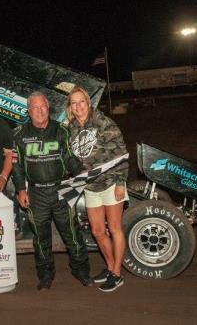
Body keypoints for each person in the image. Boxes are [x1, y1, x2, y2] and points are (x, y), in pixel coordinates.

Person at [12, 91, 92, 290]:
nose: (40, 111)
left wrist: (82, 172)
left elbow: (69, 158)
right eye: (35, 108)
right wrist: (21, 190)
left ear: (49, 109)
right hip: (36, 194)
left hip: (61, 190)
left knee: (72, 234)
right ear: (29, 111)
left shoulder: (61, 130)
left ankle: (81, 271)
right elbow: (17, 165)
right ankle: (45, 276)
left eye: (43, 107)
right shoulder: (19, 133)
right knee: (41, 239)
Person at [66, 86, 129, 292]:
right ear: (70, 108)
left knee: (114, 228)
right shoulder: (71, 128)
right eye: (74, 103)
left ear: (88, 103)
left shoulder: (103, 122)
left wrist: (121, 182)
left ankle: (117, 274)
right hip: (90, 186)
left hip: (111, 183)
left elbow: (121, 152)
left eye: (81, 102)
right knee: (98, 231)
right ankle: (111, 267)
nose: (78, 106)